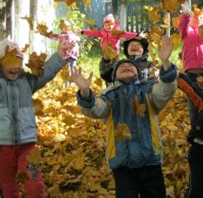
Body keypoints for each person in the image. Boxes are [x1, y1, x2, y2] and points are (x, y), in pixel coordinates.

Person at [73, 36, 177, 198]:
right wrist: (86, 93)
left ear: (138, 72)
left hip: (150, 159)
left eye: (130, 65)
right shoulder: (109, 95)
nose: (126, 66)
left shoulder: (148, 91)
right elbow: (95, 110)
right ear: (114, 77)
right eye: (122, 66)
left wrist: (165, 63)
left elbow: (166, 91)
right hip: (122, 163)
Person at [0, 38, 71, 198]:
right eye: (9, 62)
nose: (15, 67)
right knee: (7, 184)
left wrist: (59, 56)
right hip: (2, 146)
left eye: (18, 61)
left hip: (28, 146)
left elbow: (45, 74)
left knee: (33, 181)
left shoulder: (27, 81)